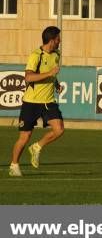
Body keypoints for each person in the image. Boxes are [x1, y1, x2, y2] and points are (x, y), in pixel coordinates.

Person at [9, 26, 64, 176]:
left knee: (59, 129)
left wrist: (56, 83)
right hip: (31, 103)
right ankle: (14, 165)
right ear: (52, 40)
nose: (60, 41)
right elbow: (28, 78)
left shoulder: (56, 54)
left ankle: (37, 147)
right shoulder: (35, 55)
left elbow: (51, 74)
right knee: (25, 137)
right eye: (58, 39)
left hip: (48, 101)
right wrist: (50, 73)